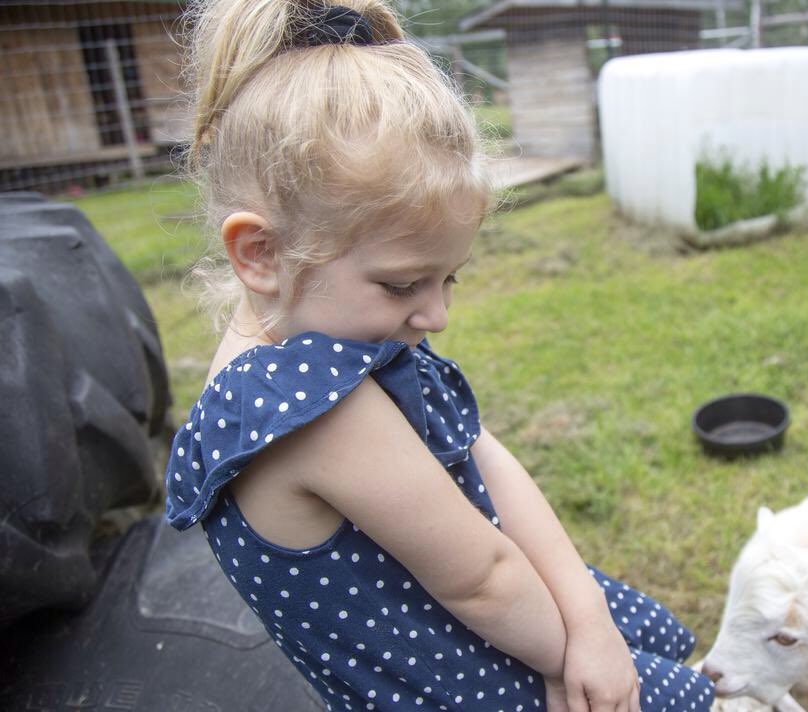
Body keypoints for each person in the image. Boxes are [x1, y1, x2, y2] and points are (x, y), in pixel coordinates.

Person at [163, 2, 715, 711]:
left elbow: (485, 457)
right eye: (402, 284)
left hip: (529, 626)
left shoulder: (321, 347)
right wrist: (577, 655)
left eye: (447, 277)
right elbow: (481, 578)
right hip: (488, 675)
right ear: (260, 253)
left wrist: (588, 615)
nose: (437, 316)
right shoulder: (308, 410)